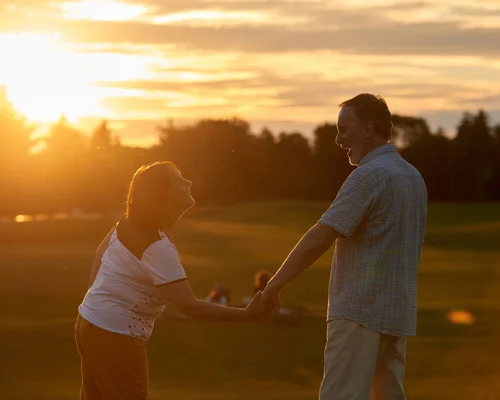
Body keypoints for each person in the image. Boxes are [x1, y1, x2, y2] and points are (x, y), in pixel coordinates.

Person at [261, 93, 428, 399]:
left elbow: (320, 236)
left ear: (368, 129)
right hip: (397, 314)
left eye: (343, 129)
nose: (338, 139)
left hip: (359, 313)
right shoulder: (412, 176)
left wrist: (272, 287)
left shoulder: (368, 175)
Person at [74, 161, 274, 400]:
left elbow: (99, 254)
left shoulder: (127, 223)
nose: (188, 183)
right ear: (164, 193)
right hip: (116, 337)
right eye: (180, 180)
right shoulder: (157, 247)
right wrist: (247, 314)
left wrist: (96, 303)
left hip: (89, 324)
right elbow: (190, 306)